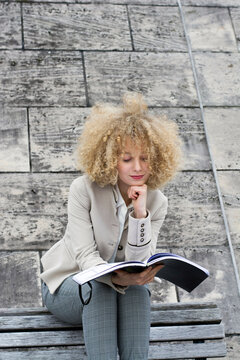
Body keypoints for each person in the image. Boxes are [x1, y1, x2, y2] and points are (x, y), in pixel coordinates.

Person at [40, 92, 182, 360]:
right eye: (127, 159)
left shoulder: (157, 202)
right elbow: (85, 257)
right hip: (67, 285)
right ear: (109, 158)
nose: (137, 167)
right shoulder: (83, 189)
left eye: (145, 158)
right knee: (100, 288)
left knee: (138, 292)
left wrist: (140, 215)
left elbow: (139, 261)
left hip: (117, 290)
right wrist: (119, 278)